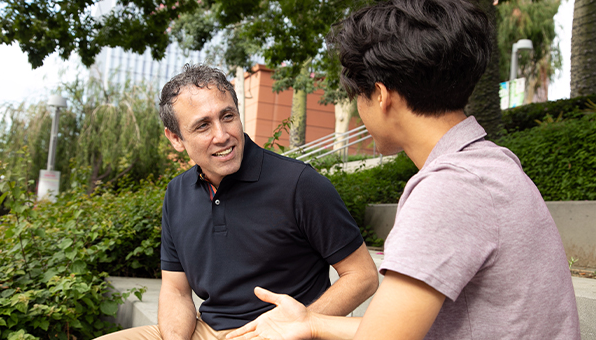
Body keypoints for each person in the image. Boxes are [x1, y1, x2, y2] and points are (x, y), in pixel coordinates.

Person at [225, 1, 582, 339]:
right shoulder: (491, 163)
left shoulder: (449, 191)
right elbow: (395, 326)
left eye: (356, 97)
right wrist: (312, 322)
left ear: (381, 95)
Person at [95, 65, 379, 340]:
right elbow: (176, 291)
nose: (222, 136)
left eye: (227, 116)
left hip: (285, 332)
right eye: (203, 126)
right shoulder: (177, 193)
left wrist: (306, 322)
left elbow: (362, 276)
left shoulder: (299, 183)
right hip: (207, 330)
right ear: (176, 138)